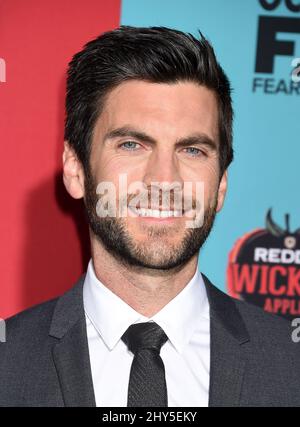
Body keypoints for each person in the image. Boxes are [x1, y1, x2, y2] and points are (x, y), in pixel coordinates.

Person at [1, 26, 299, 407]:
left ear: (221, 184)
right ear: (76, 169)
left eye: (192, 150)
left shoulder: (291, 365)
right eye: (132, 144)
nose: (164, 180)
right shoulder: (7, 364)